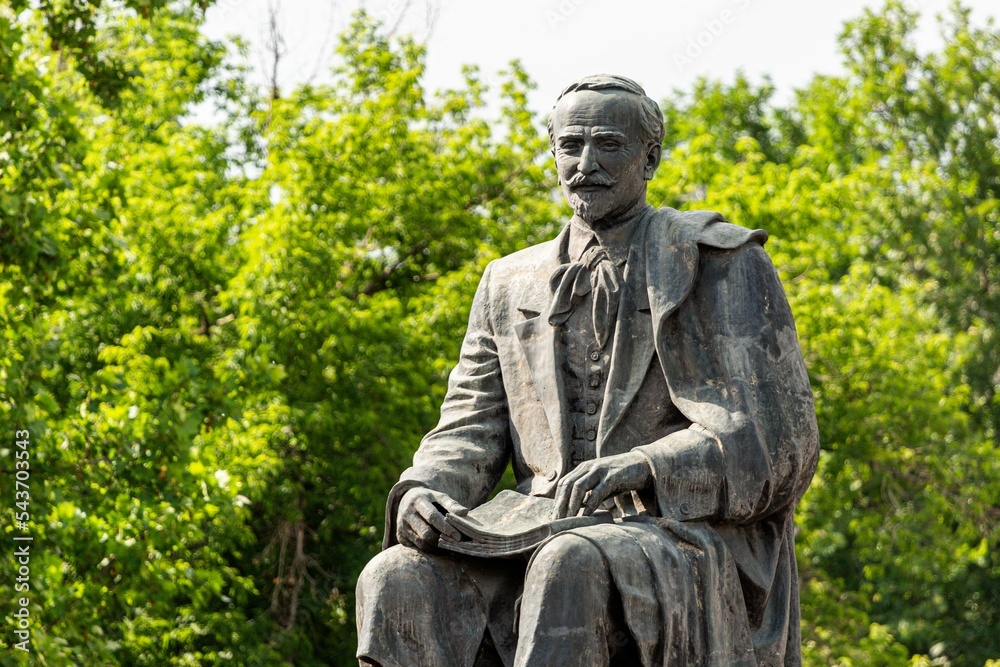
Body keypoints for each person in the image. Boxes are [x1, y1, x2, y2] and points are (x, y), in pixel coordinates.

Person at [355, 74, 819, 667]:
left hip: (672, 532)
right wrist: (424, 490)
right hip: (530, 520)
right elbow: (468, 428)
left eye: (608, 145)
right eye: (570, 146)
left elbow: (781, 442)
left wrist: (645, 467)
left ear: (649, 157)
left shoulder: (720, 262)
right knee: (395, 575)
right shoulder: (508, 281)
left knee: (567, 563)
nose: (585, 163)